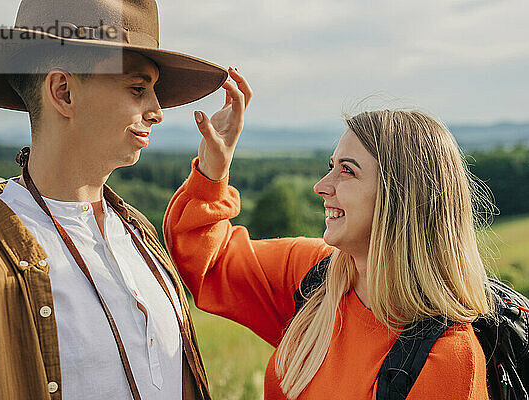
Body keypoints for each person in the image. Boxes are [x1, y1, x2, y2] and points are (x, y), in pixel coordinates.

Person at [0, 0, 243, 399]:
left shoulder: (139, 235)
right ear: (63, 93)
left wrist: (211, 177)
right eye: (138, 88)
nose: (157, 111)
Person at [163, 89, 493, 397]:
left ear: (401, 197)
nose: (322, 186)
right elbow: (209, 261)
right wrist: (212, 171)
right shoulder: (313, 275)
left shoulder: (449, 359)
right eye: (331, 166)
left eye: (347, 171)